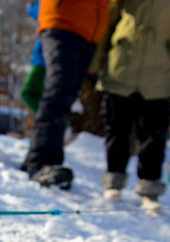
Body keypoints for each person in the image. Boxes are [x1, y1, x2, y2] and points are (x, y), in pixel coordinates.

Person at [92, 0, 170, 210]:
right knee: (117, 128)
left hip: (160, 71)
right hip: (122, 63)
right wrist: (96, 60)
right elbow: (110, 16)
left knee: (154, 134)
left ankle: (149, 189)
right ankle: (113, 181)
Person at [20, 0, 110, 190]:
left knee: (65, 97)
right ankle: (42, 164)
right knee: (57, 93)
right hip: (62, 21)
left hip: (90, 31)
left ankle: (35, 160)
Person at [20, 2, 46, 114]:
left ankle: (52, 123)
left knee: (27, 93)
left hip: (43, 61)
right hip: (43, 59)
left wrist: (31, 6)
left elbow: (34, 9)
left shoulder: (43, 6)